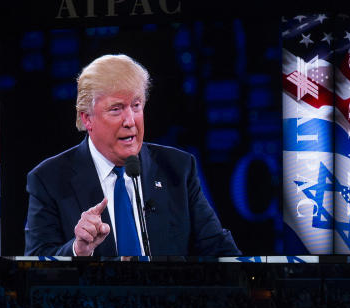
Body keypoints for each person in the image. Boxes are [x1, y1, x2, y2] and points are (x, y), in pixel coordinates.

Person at [25, 54, 240, 257]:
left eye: (136, 106)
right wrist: (77, 250)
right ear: (87, 118)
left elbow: (219, 249)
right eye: (116, 109)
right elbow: (36, 262)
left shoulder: (178, 168)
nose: (130, 121)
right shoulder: (49, 179)